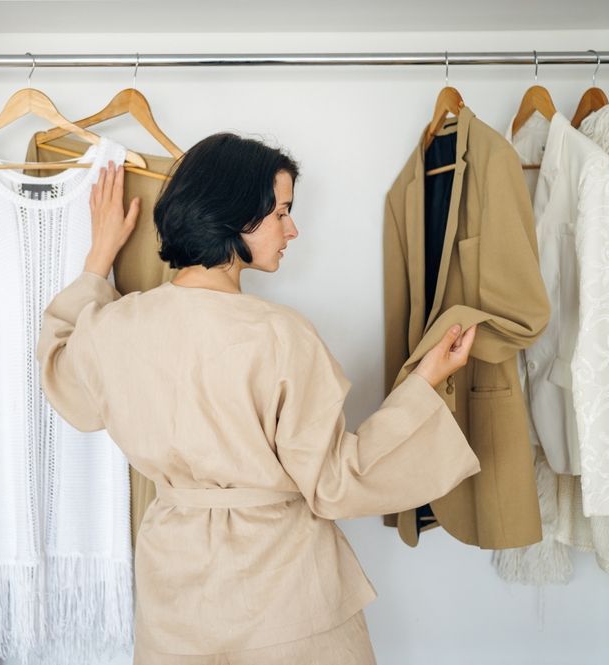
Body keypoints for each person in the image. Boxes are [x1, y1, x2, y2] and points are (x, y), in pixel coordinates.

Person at [38, 133, 481, 664]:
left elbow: (62, 376)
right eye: (282, 212)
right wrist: (424, 381)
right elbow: (338, 483)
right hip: (284, 590)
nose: (293, 229)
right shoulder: (280, 334)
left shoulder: (113, 328)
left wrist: (98, 260)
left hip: (173, 593)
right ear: (235, 214)